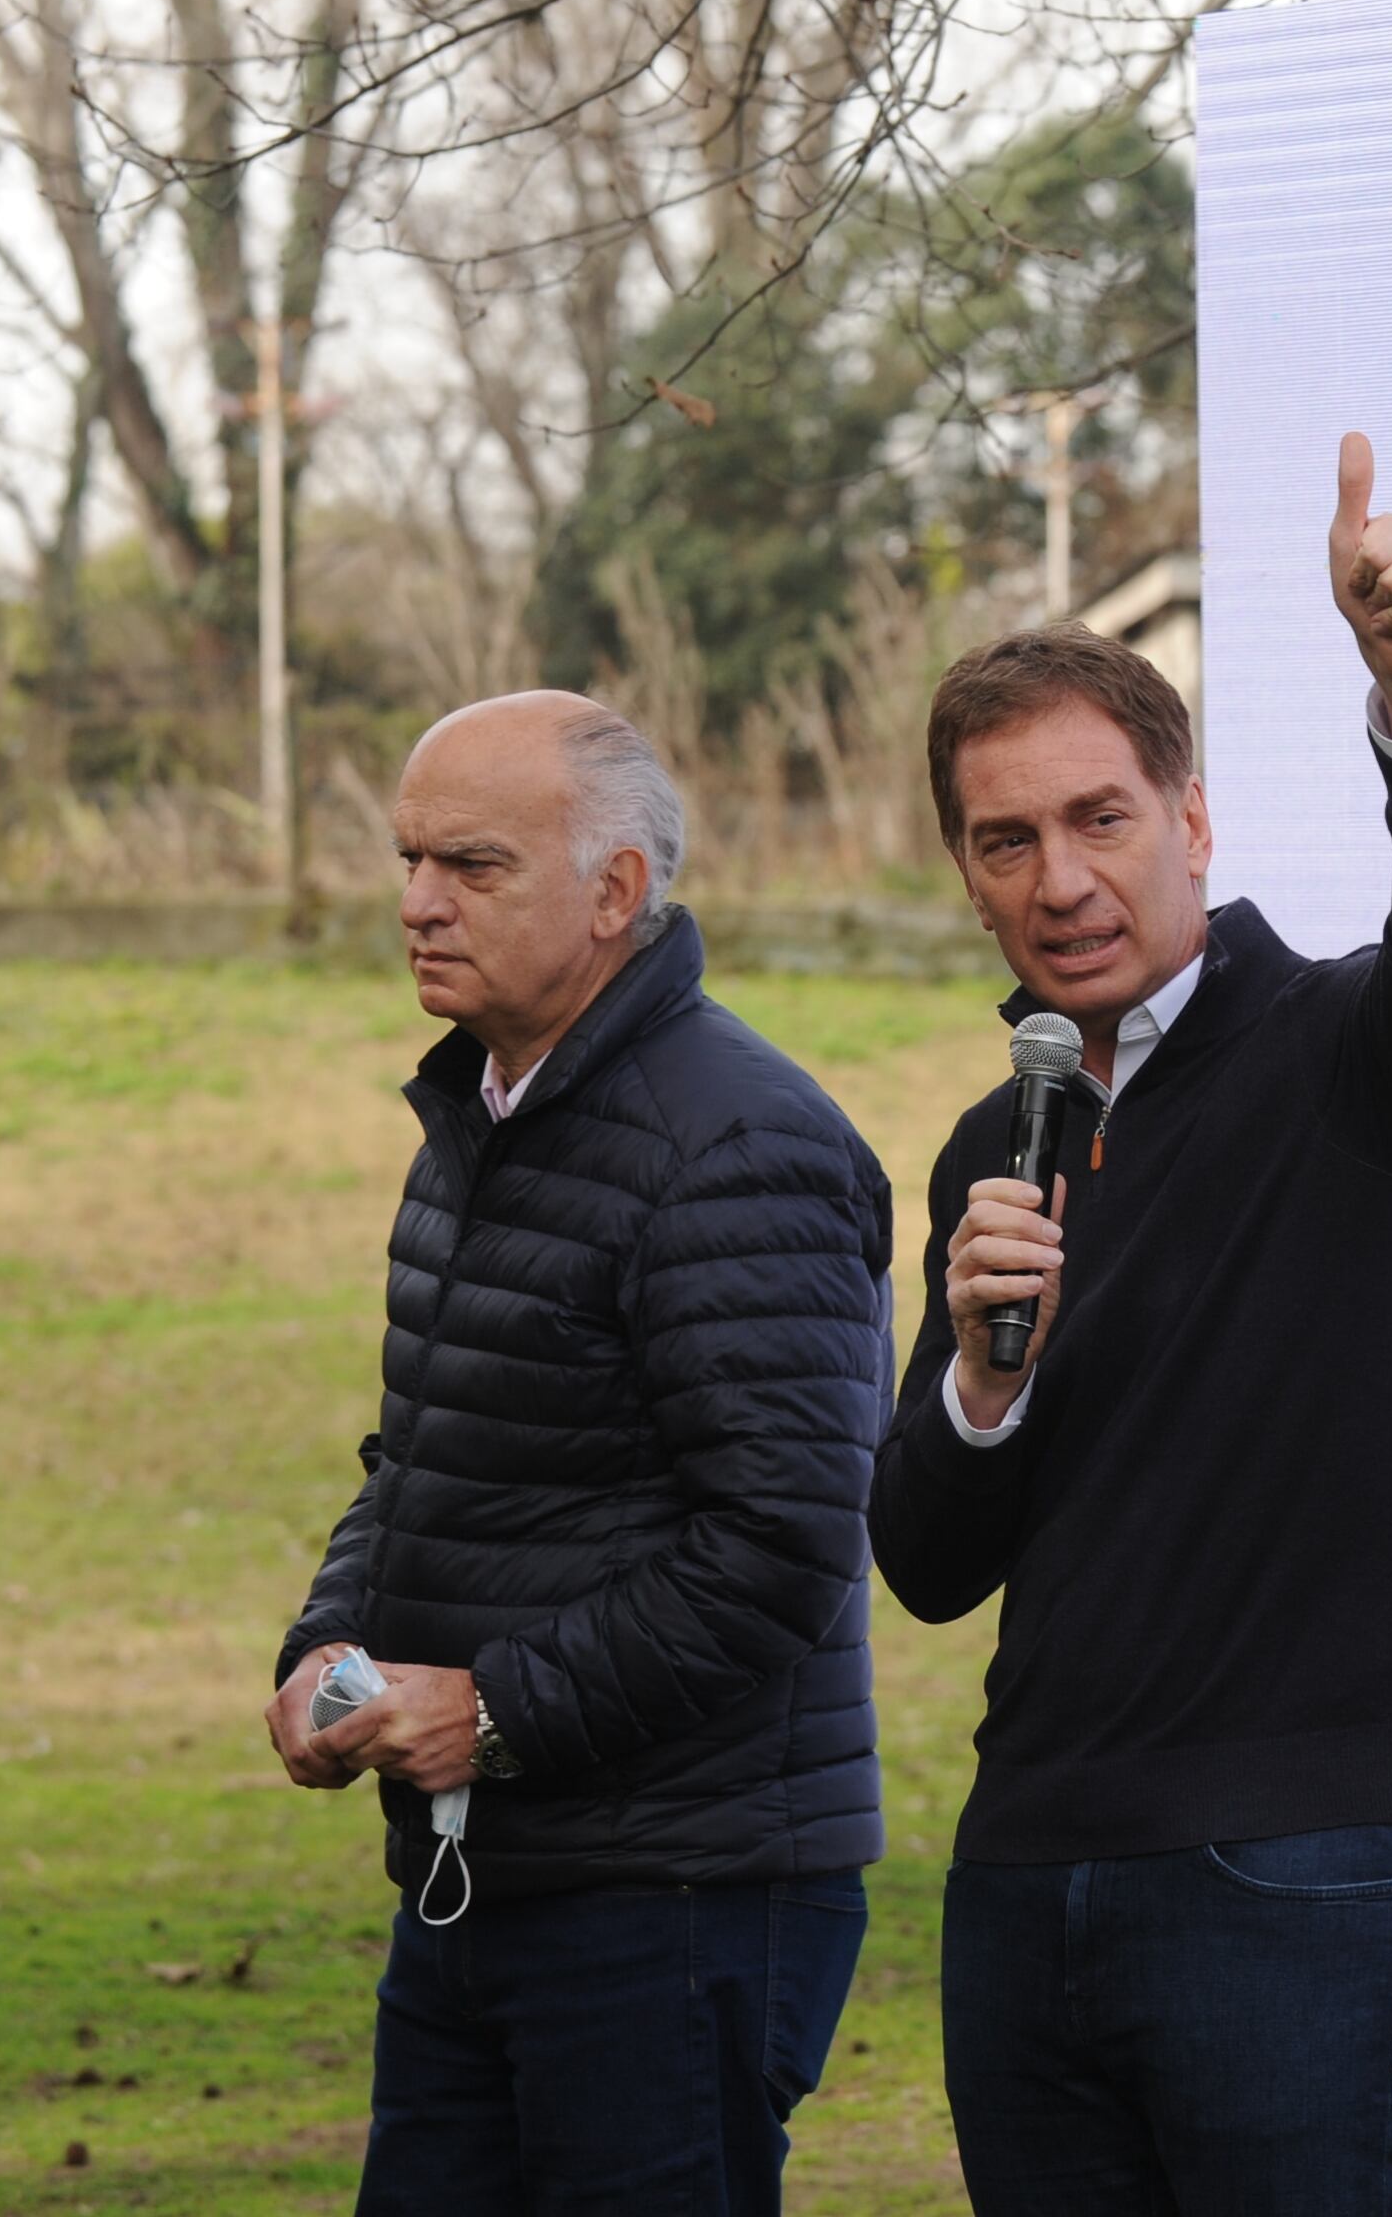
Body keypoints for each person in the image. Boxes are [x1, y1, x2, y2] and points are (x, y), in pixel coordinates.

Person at [872, 433, 1392, 2215]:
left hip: (1300, 1883)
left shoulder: (1352, 1052)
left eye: (1098, 820)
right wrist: (976, 1376)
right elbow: (927, 1565)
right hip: (1029, 1882)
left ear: (1193, 819)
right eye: (1005, 842)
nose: (1060, 880)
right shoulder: (992, 1155)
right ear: (965, 871)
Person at [266, 690, 895, 2216]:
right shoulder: (484, 1118)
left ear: (615, 891)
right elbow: (421, 1457)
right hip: (489, 1877)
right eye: (411, 858)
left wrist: (496, 1712)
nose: (417, 903)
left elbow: (785, 1544)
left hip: (677, 1905)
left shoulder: (736, 1147)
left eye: (471, 866)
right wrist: (330, 1641)